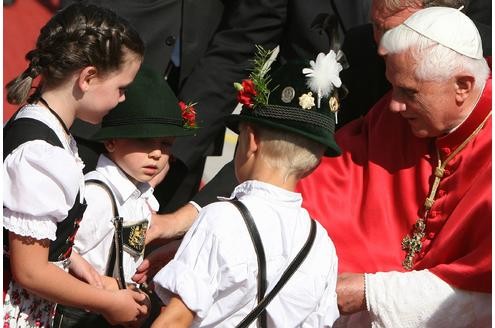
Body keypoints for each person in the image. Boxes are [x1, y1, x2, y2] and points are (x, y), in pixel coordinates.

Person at [60, 0, 372, 214]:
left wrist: (179, 141)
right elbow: (244, 41)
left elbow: (242, 43)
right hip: (98, 99)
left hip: (196, 109)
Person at [300, 7, 491, 327]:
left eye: (409, 93)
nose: (393, 104)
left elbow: (484, 296)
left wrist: (371, 292)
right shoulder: (397, 117)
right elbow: (323, 175)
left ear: (462, 86)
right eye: (393, 87)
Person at [150, 47, 344, 327]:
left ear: (251, 141)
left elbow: (174, 320)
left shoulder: (220, 219)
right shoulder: (322, 243)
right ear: (313, 163)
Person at [3, 3, 147, 327]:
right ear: (88, 77)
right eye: (121, 88)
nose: (122, 99)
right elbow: (30, 270)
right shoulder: (43, 156)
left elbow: (29, 237)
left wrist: (76, 262)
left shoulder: (41, 124)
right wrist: (109, 303)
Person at [57, 66, 197, 326]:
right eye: (145, 141)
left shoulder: (140, 197)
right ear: (111, 142)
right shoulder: (98, 195)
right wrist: (106, 286)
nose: (157, 154)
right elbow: (58, 254)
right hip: (81, 316)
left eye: (166, 144)